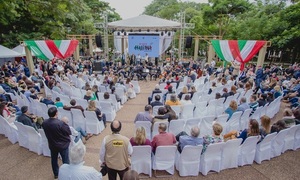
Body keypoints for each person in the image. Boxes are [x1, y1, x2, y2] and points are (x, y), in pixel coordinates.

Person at [42, 107, 71, 179]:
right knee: (65, 160)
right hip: (62, 145)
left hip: (52, 144)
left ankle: (56, 174)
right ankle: (67, 174)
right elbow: (68, 132)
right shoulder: (60, 123)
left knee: (54, 160)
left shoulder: (44, 122)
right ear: (56, 113)